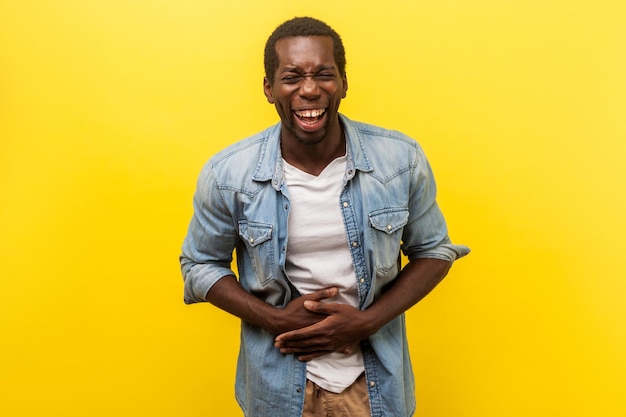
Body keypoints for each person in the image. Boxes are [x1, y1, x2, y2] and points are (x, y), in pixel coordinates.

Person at [180, 16, 469, 417]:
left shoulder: (399, 160)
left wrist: (367, 322)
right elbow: (199, 265)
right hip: (276, 390)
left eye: (324, 75)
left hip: (373, 388)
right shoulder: (229, 174)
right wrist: (277, 319)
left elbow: (434, 252)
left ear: (344, 83)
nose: (310, 89)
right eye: (292, 76)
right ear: (269, 88)